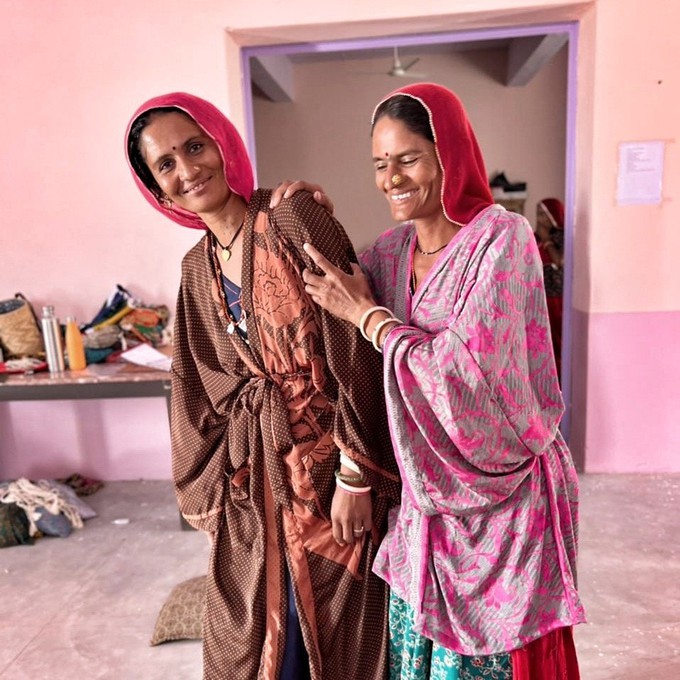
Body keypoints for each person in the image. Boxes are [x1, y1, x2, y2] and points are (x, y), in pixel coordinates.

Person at [272, 83, 585, 679]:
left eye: (408, 158)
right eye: (379, 164)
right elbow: (336, 324)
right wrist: (300, 215)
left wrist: (371, 318)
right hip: (424, 508)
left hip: (503, 503)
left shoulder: (502, 239)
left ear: (451, 155)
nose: (391, 178)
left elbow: (470, 381)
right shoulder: (388, 256)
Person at [125, 92, 400, 680]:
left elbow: (353, 345)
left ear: (223, 143)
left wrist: (355, 474)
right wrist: (210, 496)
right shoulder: (194, 269)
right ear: (155, 188)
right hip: (257, 477)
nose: (187, 170)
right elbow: (193, 387)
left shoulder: (291, 218)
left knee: (341, 632)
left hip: (331, 469)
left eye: (194, 147)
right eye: (165, 165)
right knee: (257, 637)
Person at [535, 198, 565, 378]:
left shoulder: (560, 238)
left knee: (558, 343)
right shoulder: (533, 237)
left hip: (557, 298)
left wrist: (546, 240)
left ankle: (561, 381)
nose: (540, 219)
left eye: (544, 214)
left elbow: (560, 261)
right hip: (539, 297)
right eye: (538, 214)